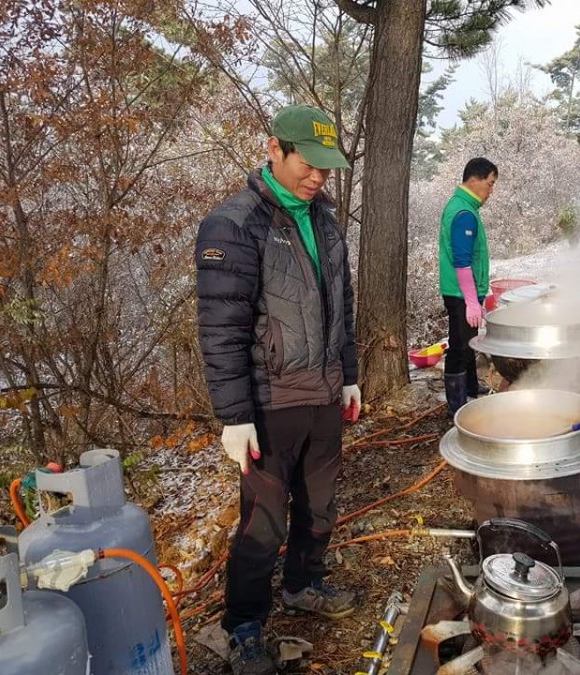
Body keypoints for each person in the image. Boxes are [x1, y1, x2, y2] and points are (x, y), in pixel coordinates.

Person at [195, 105, 361, 675]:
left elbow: (342, 307)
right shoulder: (234, 225)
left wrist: (349, 374)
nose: (317, 177)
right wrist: (234, 415)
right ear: (274, 149)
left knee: (320, 506)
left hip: (323, 394)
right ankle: (243, 624)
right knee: (263, 523)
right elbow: (221, 329)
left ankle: (303, 584)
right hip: (269, 404)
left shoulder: (327, 221)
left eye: (325, 167)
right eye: (306, 164)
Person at [439, 157, 498, 416]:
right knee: (459, 345)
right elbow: (462, 262)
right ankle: (456, 405)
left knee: (469, 341)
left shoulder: (464, 206)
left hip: (465, 291)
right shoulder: (464, 213)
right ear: (475, 180)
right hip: (461, 293)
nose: (491, 191)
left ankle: (471, 388)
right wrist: (472, 301)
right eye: (490, 183)